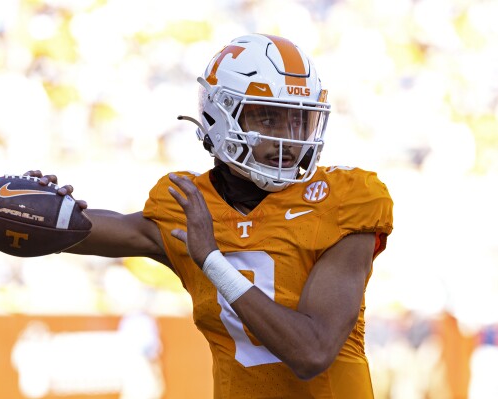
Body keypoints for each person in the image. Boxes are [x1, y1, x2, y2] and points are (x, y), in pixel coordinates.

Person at [27, 33, 393, 398]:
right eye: (268, 118)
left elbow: (312, 352)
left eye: (298, 120)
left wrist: (213, 262)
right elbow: (79, 230)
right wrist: (36, 206)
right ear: (219, 116)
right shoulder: (189, 204)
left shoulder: (343, 200)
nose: (289, 139)